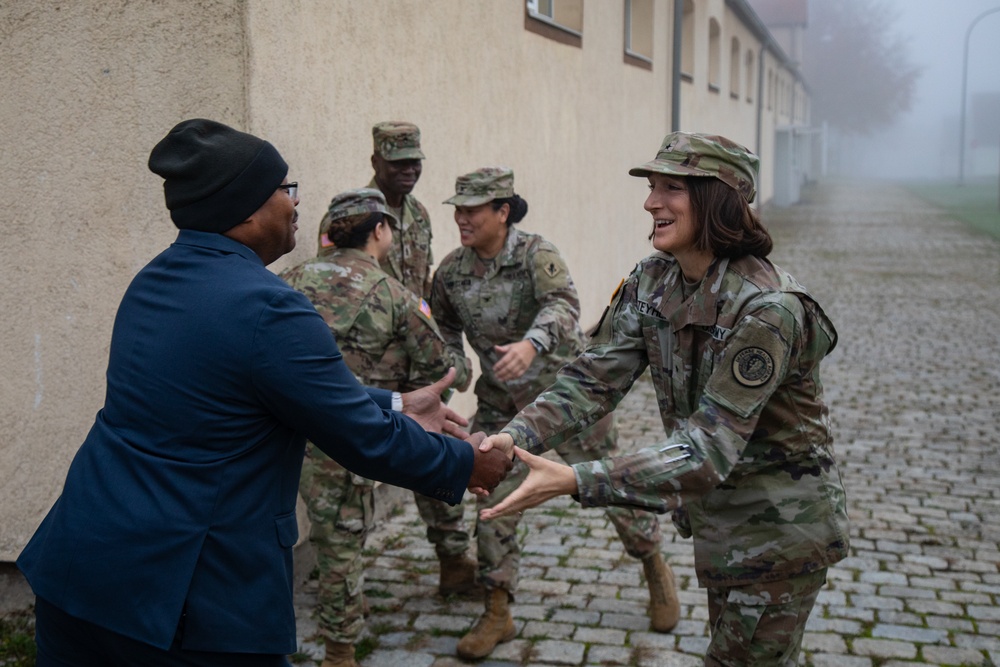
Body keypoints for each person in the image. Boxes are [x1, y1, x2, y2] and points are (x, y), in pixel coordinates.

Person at [15, 118, 511, 667]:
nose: (296, 204)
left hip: (80, 569)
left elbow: (251, 395)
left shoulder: (155, 280)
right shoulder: (269, 307)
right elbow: (361, 438)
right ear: (247, 208)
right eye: (285, 189)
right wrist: (466, 463)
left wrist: (397, 401)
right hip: (182, 600)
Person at [479, 133, 850, 666]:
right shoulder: (653, 280)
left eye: (671, 188)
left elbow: (705, 451)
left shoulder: (769, 311)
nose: (651, 202)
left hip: (778, 531)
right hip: (720, 524)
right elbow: (592, 379)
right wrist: (514, 437)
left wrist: (576, 479)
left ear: (717, 200)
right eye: (652, 187)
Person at [431, 167, 677, 660]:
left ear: (503, 211)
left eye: (472, 210)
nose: (461, 218)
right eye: (457, 210)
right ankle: (498, 608)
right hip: (502, 403)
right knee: (491, 496)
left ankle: (653, 562)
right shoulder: (452, 272)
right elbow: (443, 327)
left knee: (606, 485)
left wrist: (531, 343)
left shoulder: (535, 254)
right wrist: (452, 373)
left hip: (568, 397)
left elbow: (564, 306)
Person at [282, 188, 475, 667]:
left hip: (283, 431)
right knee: (343, 538)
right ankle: (341, 650)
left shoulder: (288, 280)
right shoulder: (392, 293)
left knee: (320, 535)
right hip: (351, 429)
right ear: (379, 231)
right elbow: (445, 366)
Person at [364, 121, 479, 587]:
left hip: (418, 361)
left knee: (433, 452)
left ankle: (453, 559)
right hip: (373, 363)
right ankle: (348, 586)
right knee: (356, 471)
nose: (410, 170)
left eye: (415, 162)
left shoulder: (420, 214)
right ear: (376, 162)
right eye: (399, 162)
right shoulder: (355, 212)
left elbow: (423, 287)